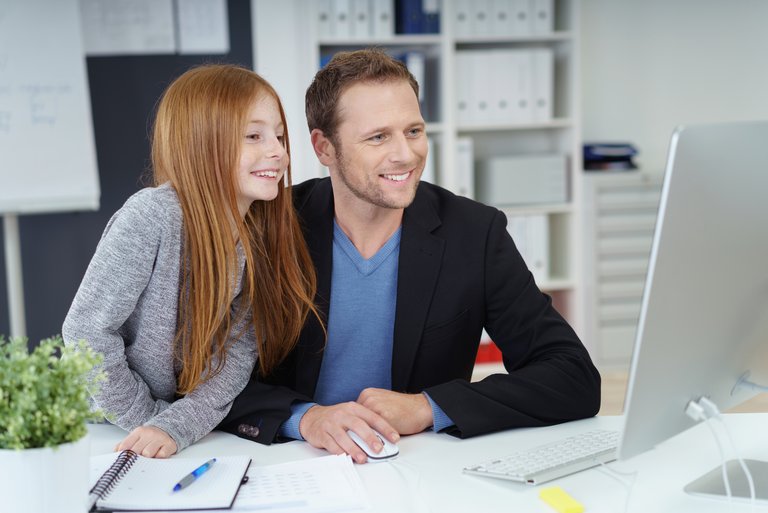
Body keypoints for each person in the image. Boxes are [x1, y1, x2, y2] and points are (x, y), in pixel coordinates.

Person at [220, 49, 601, 463]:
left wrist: (428, 407)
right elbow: (200, 382)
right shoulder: (264, 227)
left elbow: (573, 376)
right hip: (294, 464)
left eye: (414, 131)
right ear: (324, 147)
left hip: (419, 465)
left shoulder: (474, 233)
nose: (406, 154)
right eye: (378, 137)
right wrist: (303, 418)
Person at [63, 64, 318, 458]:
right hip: (100, 429)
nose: (279, 152)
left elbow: (236, 358)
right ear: (203, 142)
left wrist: (174, 424)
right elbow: (86, 334)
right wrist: (150, 419)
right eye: (254, 136)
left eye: (280, 136)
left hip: (170, 428)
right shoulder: (153, 215)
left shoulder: (257, 233)